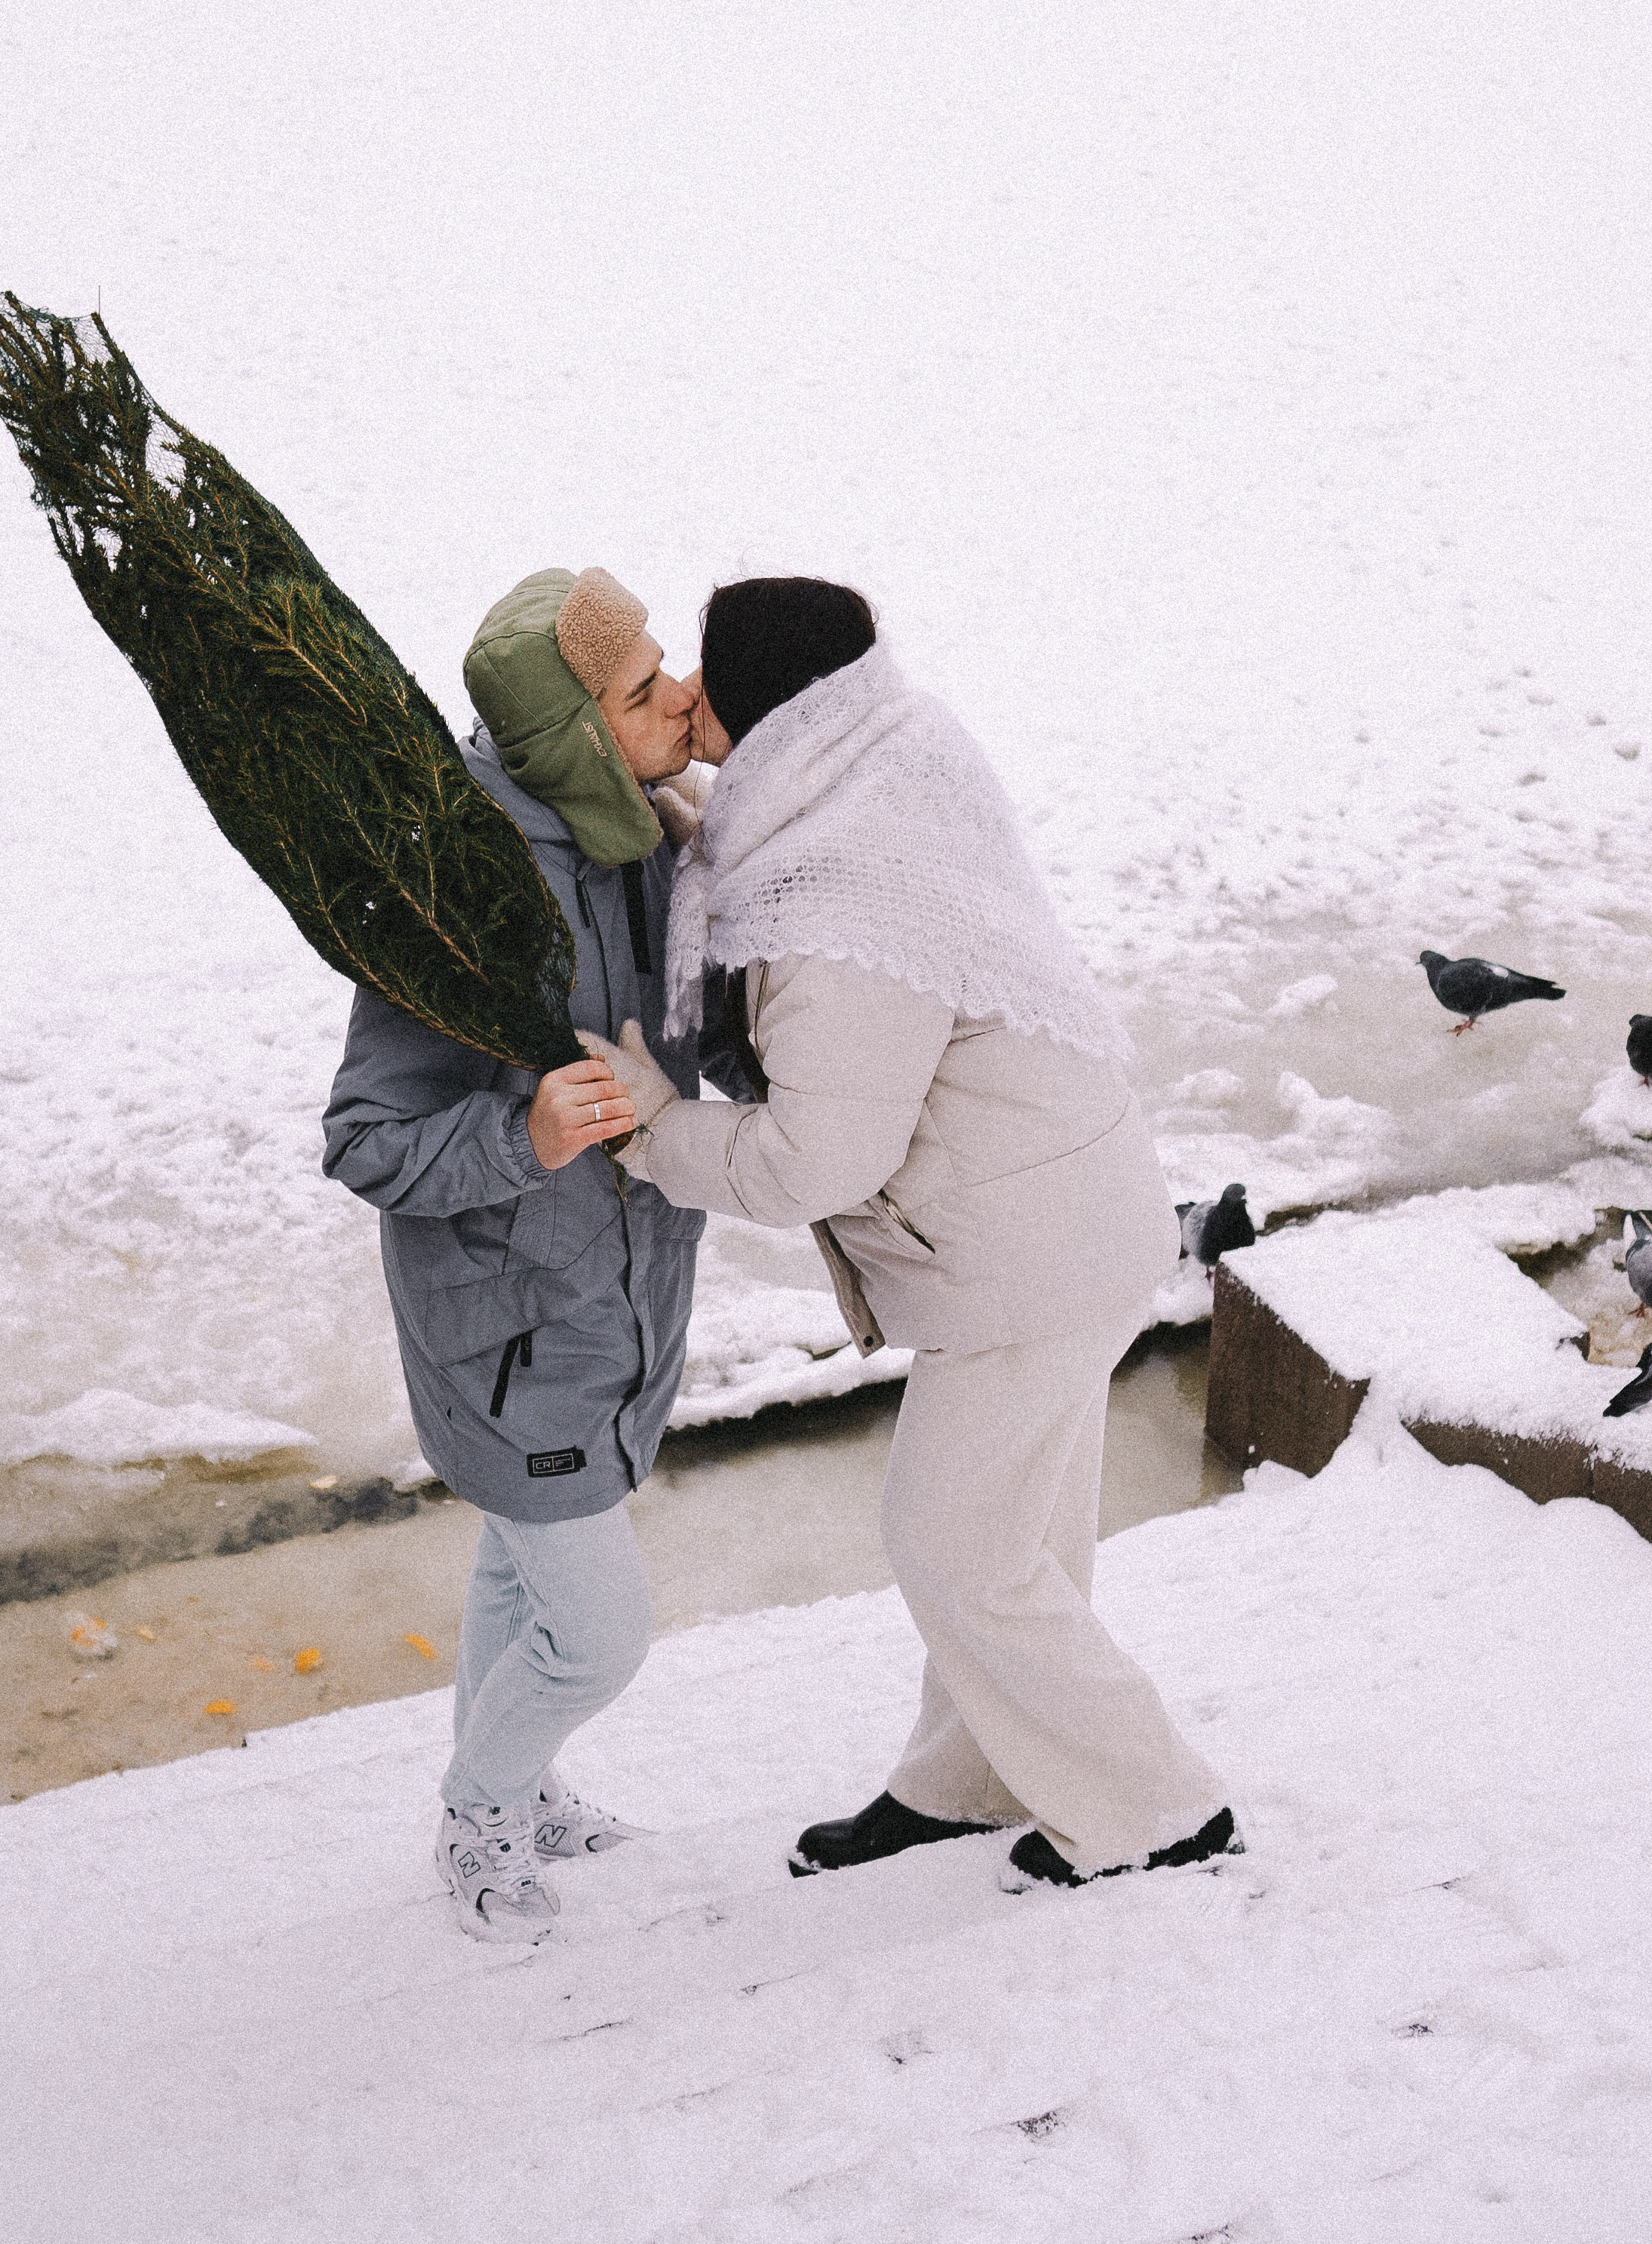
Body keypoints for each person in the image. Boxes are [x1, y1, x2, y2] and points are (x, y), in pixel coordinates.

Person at [585, 577, 1238, 1892]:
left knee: (955, 1546)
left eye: (712, 679)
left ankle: (1158, 1810)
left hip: (1028, 1256)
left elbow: (815, 1155)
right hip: (1059, 1205)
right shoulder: (887, 754)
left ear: (781, 714)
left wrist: (653, 1130)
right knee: (1020, 1537)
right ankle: (972, 1778)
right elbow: (786, 847)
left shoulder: (842, 916)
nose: (691, 697)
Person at [323, 564, 714, 1944]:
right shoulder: (462, 888)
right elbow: (364, 1137)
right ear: (566, 739)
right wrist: (523, 1130)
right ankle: (479, 1808)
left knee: (516, 1571)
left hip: (609, 1299)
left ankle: (523, 1785)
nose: (682, 698)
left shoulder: (640, 835)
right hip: (510, 1337)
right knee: (597, 1632)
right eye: (642, 690)